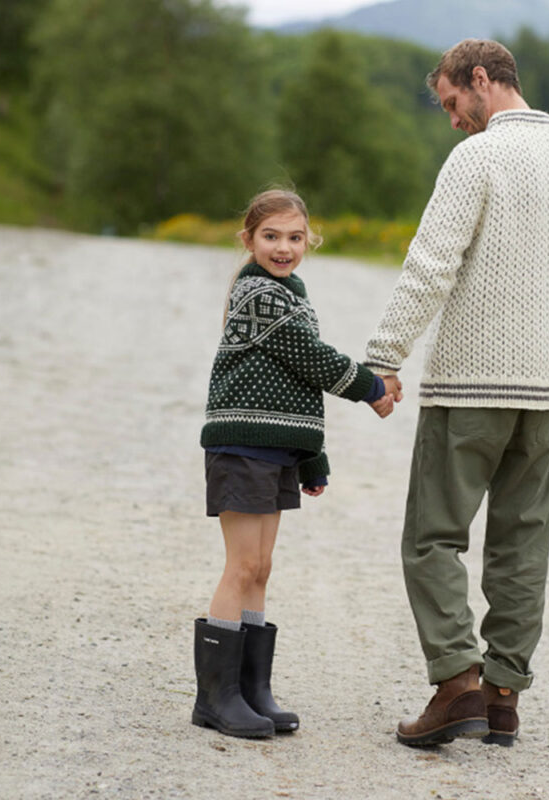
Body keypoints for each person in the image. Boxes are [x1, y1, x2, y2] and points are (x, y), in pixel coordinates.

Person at [364, 39, 549, 747]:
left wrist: (383, 356)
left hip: (470, 385)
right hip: (544, 395)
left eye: (451, 103)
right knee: (521, 546)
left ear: (481, 79)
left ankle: (457, 685)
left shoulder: (478, 158)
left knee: (432, 537)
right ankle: (503, 697)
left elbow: (430, 264)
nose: (451, 120)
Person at [193, 189, 396, 739]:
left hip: (276, 447)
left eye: (294, 237)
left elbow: (296, 392)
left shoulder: (294, 293)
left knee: (262, 567)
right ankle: (216, 697)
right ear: (249, 240)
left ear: (309, 240)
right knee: (241, 567)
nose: (284, 248)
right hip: (241, 444)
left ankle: (252, 688)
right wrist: (373, 386)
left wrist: (312, 459)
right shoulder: (258, 293)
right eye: (271, 236)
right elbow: (312, 361)